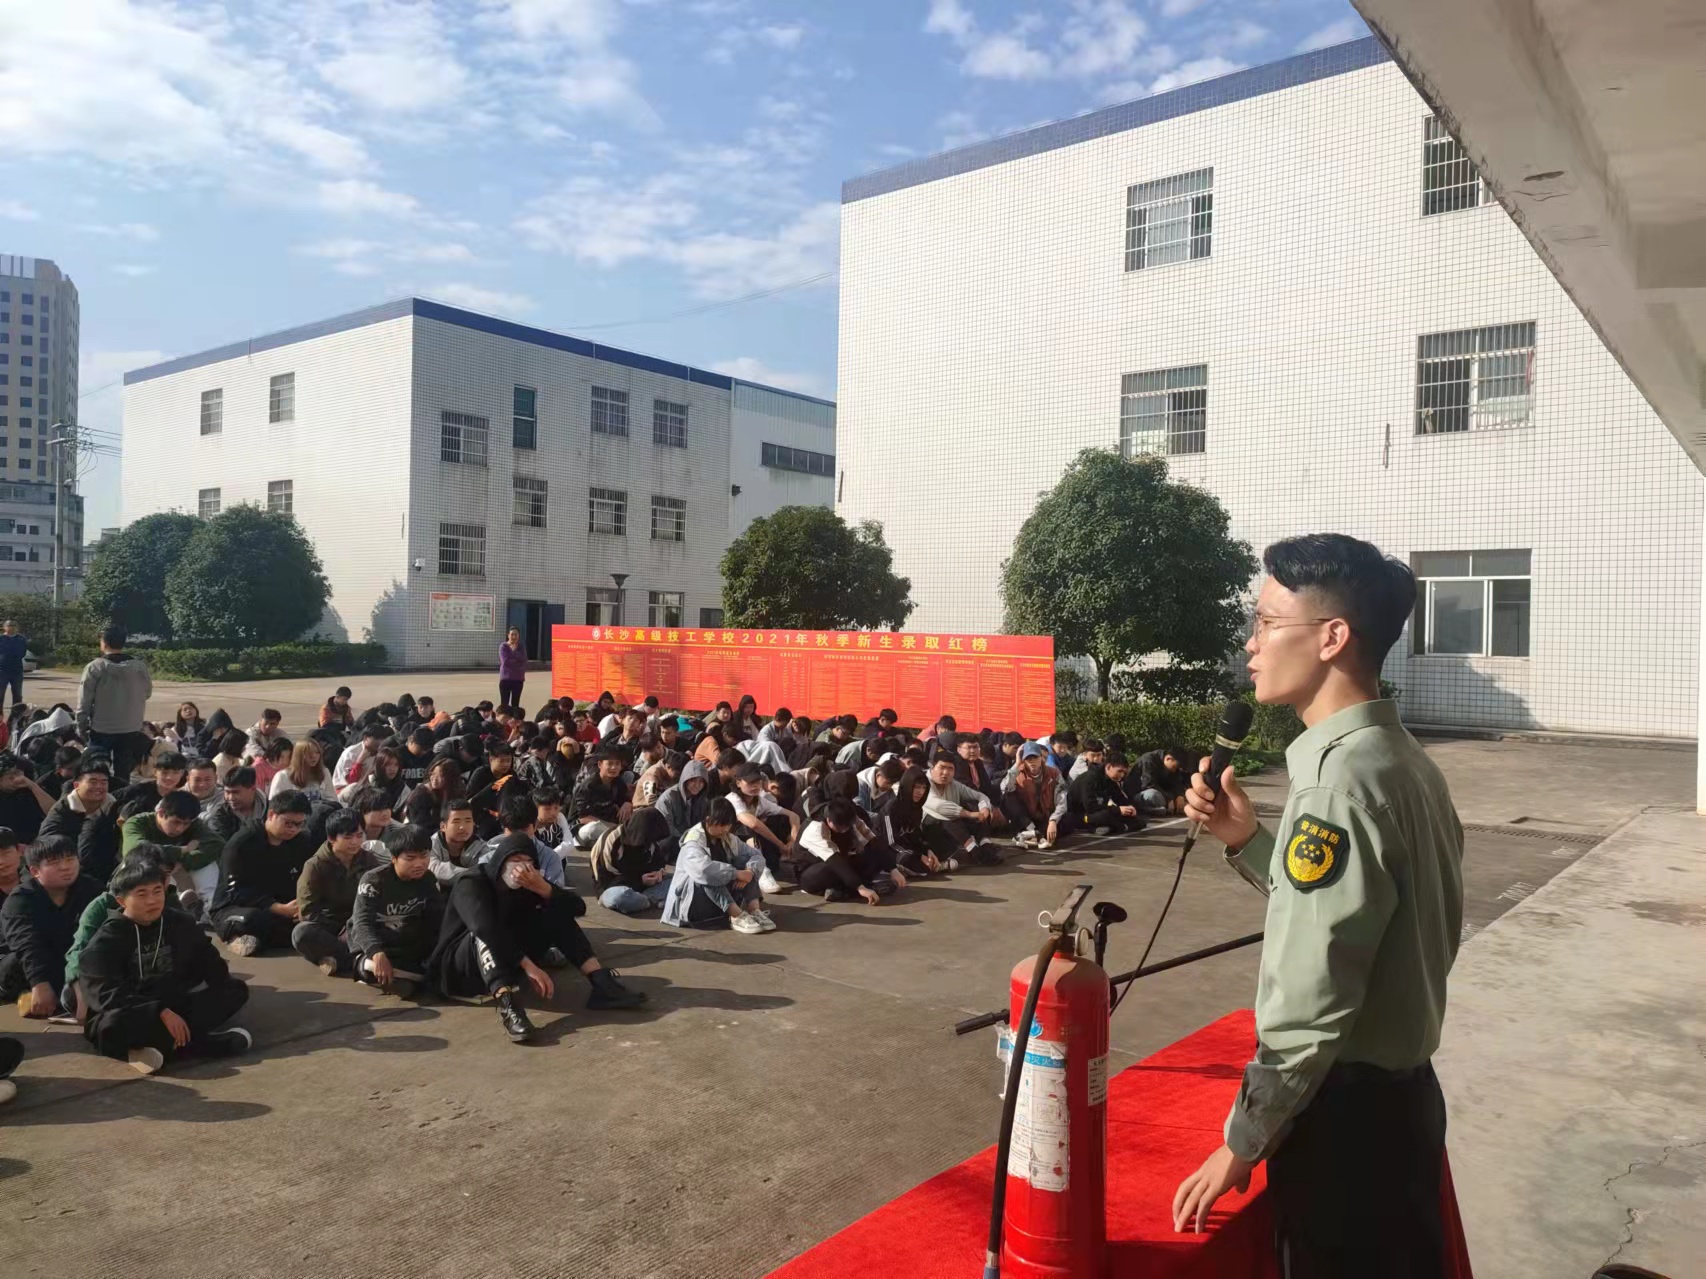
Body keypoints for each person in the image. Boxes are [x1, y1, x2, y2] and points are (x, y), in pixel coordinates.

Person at [1169, 534, 1463, 1279]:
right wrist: (1248, 838)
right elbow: (1361, 918)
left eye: (1267, 622)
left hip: (1345, 1130)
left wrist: (1242, 1142)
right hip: (1404, 1106)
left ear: (1333, 637)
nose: (1251, 644)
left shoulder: (1337, 786)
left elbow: (1311, 1000)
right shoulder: (1401, 763)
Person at [427, 833, 646, 1044]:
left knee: (555, 910)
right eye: (515, 860)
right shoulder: (472, 882)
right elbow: (483, 927)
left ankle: (601, 983)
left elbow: (578, 908)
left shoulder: (528, 884)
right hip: (462, 967)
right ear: (501, 860)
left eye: (528, 861)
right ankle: (509, 1006)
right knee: (484, 934)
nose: (521, 868)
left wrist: (544, 888)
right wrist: (528, 965)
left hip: (508, 958)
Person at [78, 851, 251, 1075]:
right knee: (114, 1025)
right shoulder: (105, 941)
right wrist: (159, 1011)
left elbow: (209, 961)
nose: (152, 900)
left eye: (157, 891)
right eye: (141, 894)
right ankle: (199, 1045)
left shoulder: (179, 922)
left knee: (234, 990)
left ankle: (162, 1047)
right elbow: (105, 995)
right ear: (121, 900)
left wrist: (218, 988)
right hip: (131, 1011)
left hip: (172, 1000)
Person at [1, 837, 101, 1016]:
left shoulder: (91, 889)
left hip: (73, 962)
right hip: (31, 965)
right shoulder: (20, 899)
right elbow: (26, 943)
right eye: (55, 862)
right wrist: (40, 983)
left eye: (70, 859)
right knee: (12, 965)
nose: (65, 867)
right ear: (35, 871)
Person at [210, 790, 316, 957]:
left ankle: (260, 940)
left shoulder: (300, 842)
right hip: (236, 907)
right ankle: (237, 937)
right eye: (288, 823)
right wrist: (276, 907)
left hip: (281, 907)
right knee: (254, 919)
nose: (293, 830)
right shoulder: (241, 844)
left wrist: (302, 905)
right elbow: (235, 892)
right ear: (272, 814)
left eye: (299, 824)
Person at [349, 824, 444, 998]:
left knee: (424, 981)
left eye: (424, 856)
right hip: (375, 946)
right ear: (394, 858)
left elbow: (437, 921)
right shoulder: (374, 880)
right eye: (410, 858)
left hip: (406, 947)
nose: (419, 863)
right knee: (371, 966)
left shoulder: (429, 880)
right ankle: (364, 966)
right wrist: (376, 952)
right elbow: (362, 923)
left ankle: (403, 979)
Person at [659, 798, 772, 933]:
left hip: (717, 900)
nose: (725, 829)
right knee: (710, 874)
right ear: (708, 821)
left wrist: (749, 872)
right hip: (690, 903)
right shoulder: (693, 842)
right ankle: (737, 916)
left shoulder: (728, 838)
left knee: (749, 865)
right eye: (721, 824)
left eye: (728, 824)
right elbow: (703, 871)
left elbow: (756, 855)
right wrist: (735, 874)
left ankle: (754, 910)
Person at [293, 809, 384, 977]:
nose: (355, 842)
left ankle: (338, 960)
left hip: (360, 923)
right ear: (332, 839)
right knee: (301, 933)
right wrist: (339, 929)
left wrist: (353, 927)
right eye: (348, 837)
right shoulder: (315, 866)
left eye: (359, 835)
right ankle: (357, 961)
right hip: (329, 926)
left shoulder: (369, 860)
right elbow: (307, 911)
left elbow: (380, 898)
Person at [121, 788, 225, 916]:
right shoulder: (136, 823)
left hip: (178, 869)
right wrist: (182, 850)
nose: (180, 828)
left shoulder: (193, 824)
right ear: (160, 813)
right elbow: (136, 850)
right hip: (147, 870)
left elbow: (216, 843)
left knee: (208, 865)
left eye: (185, 824)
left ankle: (210, 911)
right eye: (175, 822)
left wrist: (184, 861)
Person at [77, 627, 154, 784]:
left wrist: (81, 726)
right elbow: (147, 693)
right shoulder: (139, 666)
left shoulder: (95, 667)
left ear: (103, 643)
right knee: (123, 771)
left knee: (96, 769)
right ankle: (120, 796)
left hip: (102, 728)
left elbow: (84, 702)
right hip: (131, 727)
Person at [798, 798, 904, 903]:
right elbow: (834, 860)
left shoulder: (851, 819)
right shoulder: (816, 828)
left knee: (874, 855)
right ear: (829, 820)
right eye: (839, 828)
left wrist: (893, 868)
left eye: (846, 827)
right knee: (831, 869)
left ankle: (843, 891)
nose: (843, 830)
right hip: (814, 869)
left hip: (842, 860)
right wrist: (860, 887)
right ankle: (856, 890)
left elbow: (873, 840)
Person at [38, 758, 121, 882]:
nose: (99, 787)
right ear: (77, 785)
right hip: (72, 870)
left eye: (104, 782)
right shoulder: (62, 810)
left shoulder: (114, 807)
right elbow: (48, 843)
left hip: (109, 869)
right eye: (93, 782)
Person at [726, 764, 798, 892]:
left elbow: (793, 815)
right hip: (729, 844)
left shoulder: (758, 800)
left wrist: (792, 840)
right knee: (748, 828)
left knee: (780, 818)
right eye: (750, 782)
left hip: (751, 847)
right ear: (738, 783)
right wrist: (781, 844)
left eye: (758, 782)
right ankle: (762, 872)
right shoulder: (733, 799)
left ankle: (780, 857)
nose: (755, 786)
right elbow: (753, 823)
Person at [922, 755, 1003, 866]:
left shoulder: (954, 784)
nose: (945, 772)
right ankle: (975, 851)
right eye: (941, 767)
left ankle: (986, 846)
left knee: (977, 810)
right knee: (948, 817)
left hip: (953, 826)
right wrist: (969, 814)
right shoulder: (923, 782)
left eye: (950, 769)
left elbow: (980, 796)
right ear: (932, 767)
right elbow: (937, 806)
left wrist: (984, 808)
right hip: (928, 828)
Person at [592, 807, 674, 915]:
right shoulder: (612, 841)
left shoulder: (650, 842)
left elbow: (658, 863)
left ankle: (645, 900)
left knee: (679, 880)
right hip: (614, 887)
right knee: (618, 898)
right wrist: (640, 880)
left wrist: (658, 873)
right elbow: (607, 878)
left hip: (644, 887)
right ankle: (652, 900)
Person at [1001, 743, 1068, 850]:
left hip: (1046, 816)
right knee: (1008, 796)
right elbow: (1004, 788)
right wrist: (1017, 764)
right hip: (1025, 818)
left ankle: (1027, 835)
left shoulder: (1054, 773)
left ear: (1041, 758)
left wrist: (1053, 820)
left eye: (1035, 757)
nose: (1032, 761)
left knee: (1062, 828)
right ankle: (1034, 833)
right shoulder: (1018, 772)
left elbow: (1062, 800)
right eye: (1028, 758)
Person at [1065, 750, 1140, 836]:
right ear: (1108, 767)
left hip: (1099, 811)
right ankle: (1116, 827)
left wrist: (1129, 807)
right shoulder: (1089, 780)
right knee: (1106, 815)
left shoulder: (1110, 779)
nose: (1122, 775)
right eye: (1119, 771)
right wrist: (1117, 810)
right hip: (1081, 815)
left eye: (1124, 772)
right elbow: (1090, 807)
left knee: (1135, 819)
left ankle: (1117, 827)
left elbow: (1119, 798)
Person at [569, 749, 631, 849]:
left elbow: (624, 798)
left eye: (617, 764)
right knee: (594, 828)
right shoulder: (587, 787)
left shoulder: (618, 783)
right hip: (583, 828)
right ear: (600, 764)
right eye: (610, 764)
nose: (614, 767)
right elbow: (583, 818)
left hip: (609, 825)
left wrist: (627, 803)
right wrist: (613, 827)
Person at [114, 748, 188, 819]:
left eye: (175, 773)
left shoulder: (183, 797)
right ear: (155, 772)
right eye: (164, 773)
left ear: (182, 773)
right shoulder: (138, 791)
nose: (169, 777)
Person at [0, 748, 52, 841]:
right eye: (10, 777)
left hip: (37, 842)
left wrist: (33, 786)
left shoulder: (26, 790)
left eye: (17, 773)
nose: (17, 779)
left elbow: (54, 813)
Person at [430, 798, 487, 884]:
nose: (462, 827)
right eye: (456, 822)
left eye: (468, 821)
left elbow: (485, 871)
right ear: (443, 826)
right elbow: (433, 868)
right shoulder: (430, 844)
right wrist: (471, 874)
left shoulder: (480, 846)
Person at [655, 758, 711, 842]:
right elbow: (666, 828)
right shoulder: (668, 799)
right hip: (671, 843)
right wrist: (686, 840)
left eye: (701, 782)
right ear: (685, 779)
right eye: (693, 780)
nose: (697, 785)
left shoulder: (703, 801)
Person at [206, 765, 268, 840]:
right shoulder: (220, 815)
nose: (231, 798)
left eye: (236, 792)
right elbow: (221, 845)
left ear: (252, 789)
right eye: (227, 792)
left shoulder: (271, 811)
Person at [333, 723, 390, 791]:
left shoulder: (378, 753)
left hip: (362, 790)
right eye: (376, 738)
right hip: (343, 790)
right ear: (365, 738)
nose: (379, 742)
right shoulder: (351, 752)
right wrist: (359, 761)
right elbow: (350, 781)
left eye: (382, 738)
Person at [1135, 747, 1190, 816]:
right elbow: (1148, 784)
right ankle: (1165, 808)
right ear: (1168, 759)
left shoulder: (1173, 769)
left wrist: (1179, 795)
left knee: (1185, 795)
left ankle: (1168, 808)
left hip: (1161, 793)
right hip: (1141, 793)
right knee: (1153, 794)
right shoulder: (1149, 759)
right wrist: (1169, 798)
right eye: (1176, 767)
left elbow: (1177, 783)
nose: (1176, 769)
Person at [0, 619, 27, 715]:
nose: (11, 627)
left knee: (17, 695)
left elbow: (23, 652)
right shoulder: (1, 638)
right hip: (2, 670)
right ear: (4, 627)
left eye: (13, 625)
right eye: (9, 625)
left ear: (16, 628)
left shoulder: (21, 639)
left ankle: (16, 718)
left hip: (16, 670)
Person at [499, 628, 528, 707]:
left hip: (518, 679)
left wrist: (513, 654)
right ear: (508, 635)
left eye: (516, 634)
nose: (514, 637)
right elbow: (505, 661)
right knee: (504, 703)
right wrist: (515, 655)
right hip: (506, 679)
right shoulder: (503, 646)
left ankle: (514, 719)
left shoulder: (521, 647)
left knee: (515, 703)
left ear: (519, 636)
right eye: (512, 634)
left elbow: (523, 660)